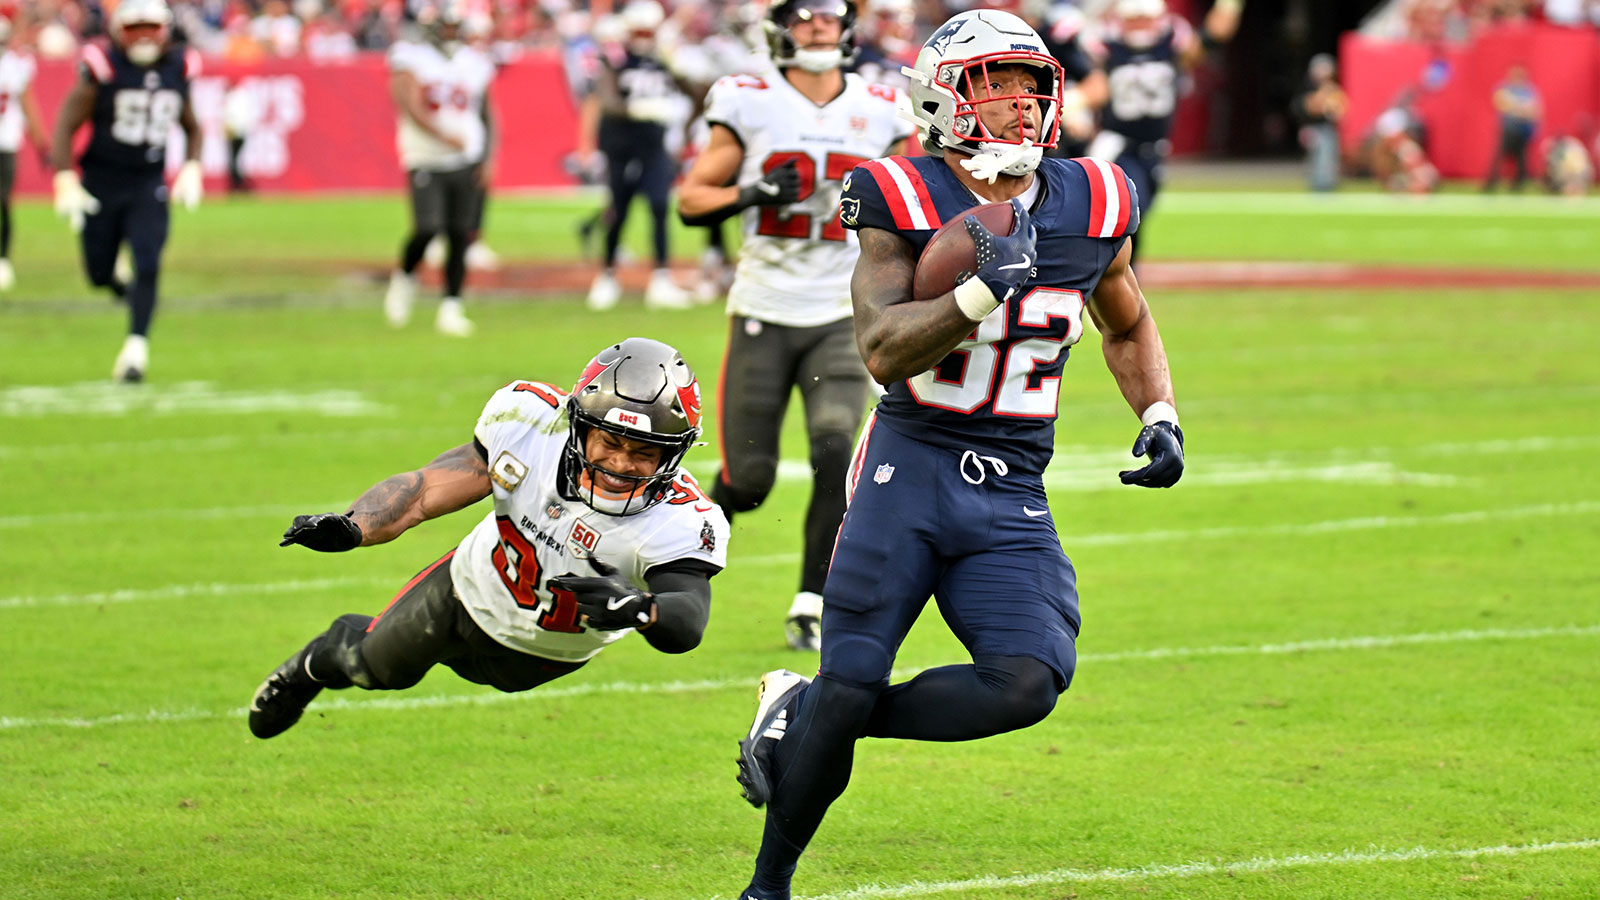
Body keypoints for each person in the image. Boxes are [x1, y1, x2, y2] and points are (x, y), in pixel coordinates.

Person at [729, 10, 1184, 900]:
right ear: (942, 96)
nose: (1020, 105)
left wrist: (1160, 411)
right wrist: (981, 289)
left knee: (1026, 682)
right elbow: (882, 349)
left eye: (1031, 86)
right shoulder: (896, 189)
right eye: (994, 86)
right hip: (911, 462)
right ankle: (768, 884)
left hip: (1012, 480)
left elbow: (1124, 317)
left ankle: (806, 711)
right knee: (852, 677)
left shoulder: (1097, 196)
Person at [249, 338, 730, 739]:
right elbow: (425, 490)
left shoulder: (680, 520)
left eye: (645, 452)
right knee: (375, 666)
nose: (622, 464)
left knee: (474, 675)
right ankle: (313, 663)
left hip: (540, 656)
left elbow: (688, 616)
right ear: (579, 426)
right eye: (611, 442)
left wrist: (643, 609)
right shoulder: (530, 425)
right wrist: (356, 526)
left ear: (675, 452)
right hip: (464, 592)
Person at [677, 0, 912, 651]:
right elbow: (692, 199)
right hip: (763, 305)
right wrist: (751, 194)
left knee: (836, 445)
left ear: (847, 27)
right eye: (803, 12)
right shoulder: (747, 97)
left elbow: (914, 199)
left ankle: (812, 599)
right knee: (749, 481)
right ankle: (680, 560)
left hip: (844, 308)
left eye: (829, 13)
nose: (817, 24)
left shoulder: (883, 105)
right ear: (781, 24)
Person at [50, 0, 204, 384]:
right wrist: (65, 175)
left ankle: (136, 349)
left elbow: (193, 125)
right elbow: (66, 124)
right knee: (98, 274)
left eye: (152, 26)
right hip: (102, 179)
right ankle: (117, 279)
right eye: (136, 28)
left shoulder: (178, 66)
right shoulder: (104, 66)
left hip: (147, 179)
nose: (145, 36)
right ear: (118, 31)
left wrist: (192, 164)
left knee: (149, 261)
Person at [1087, 0, 1241, 261]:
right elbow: (1092, 87)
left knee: (1140, 215)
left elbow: (1214, 36)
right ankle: (1112, 273)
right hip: (1117, 145)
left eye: (1145, 18)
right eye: (1134, 18)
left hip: (1153, 147)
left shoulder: (1170, 43)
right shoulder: (1107, 47)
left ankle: (1125, 274)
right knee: (1130, 209)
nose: (1141, 25)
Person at [381, 0, 496, 338]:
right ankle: (404, 278)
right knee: (427, 228)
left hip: (466, 158)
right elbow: (407, 103)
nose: (449, 33)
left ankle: (451, 307)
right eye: (444, 26)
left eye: (453, 26)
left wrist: (488, 157)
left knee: (461, 235)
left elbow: (489, 115)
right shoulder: (410, 58)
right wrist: (443, 135)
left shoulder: (474, 63)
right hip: (425, 157)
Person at [581, 0, 694, 312]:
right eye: (640, 30)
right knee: (619, 210)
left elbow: (693, 92)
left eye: (649, 31)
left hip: (654, 145)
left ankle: (661, 277)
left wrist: (677, 68)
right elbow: (606, 98)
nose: (645, 37)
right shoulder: (614, 58)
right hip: (622, 146)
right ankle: (606, 275)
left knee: (659, 205)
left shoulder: (662, 59)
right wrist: (637, 109)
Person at [0, 14, 51, 291]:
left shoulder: (16, 67)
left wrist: (41, 143)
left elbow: (29, 107)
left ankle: (3, 258)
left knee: (3, 202)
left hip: (6, 142)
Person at [1483, 63, 1540, 193]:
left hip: (1524, 131)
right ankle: (1491, 183)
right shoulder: (1504, 88)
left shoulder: (1529, 90)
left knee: (1522, 159)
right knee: (1499, 156)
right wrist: (1522, 109)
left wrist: (1516, 107)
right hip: (1508, 129)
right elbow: (1501, 103)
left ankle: (1519, 183)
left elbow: (1535, 110)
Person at [1295, 53, 1345, 192]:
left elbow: (1340, 110)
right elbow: (1309, 107)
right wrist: (1323, 98)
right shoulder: (1308, 88)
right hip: (1313, 128)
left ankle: (1327, 184)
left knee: (1329, 155)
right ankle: (1318, 185)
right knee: (1319, 155)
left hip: (1327, 128)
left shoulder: (1333, 89)